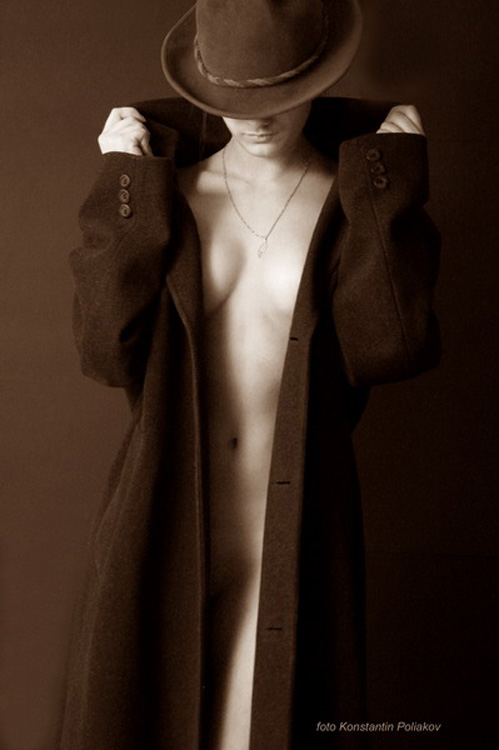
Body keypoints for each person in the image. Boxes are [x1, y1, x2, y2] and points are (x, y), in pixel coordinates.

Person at [60, 1, 440, 749]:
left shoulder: (346, 201)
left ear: (320, 79)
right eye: (231, 97)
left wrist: (386, 189)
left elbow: (389, 348)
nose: (256, 119)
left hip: (296, 527)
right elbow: (102, 351)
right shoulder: (169, 197)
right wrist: (125, 184)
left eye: (278, 95)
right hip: (161, 515)